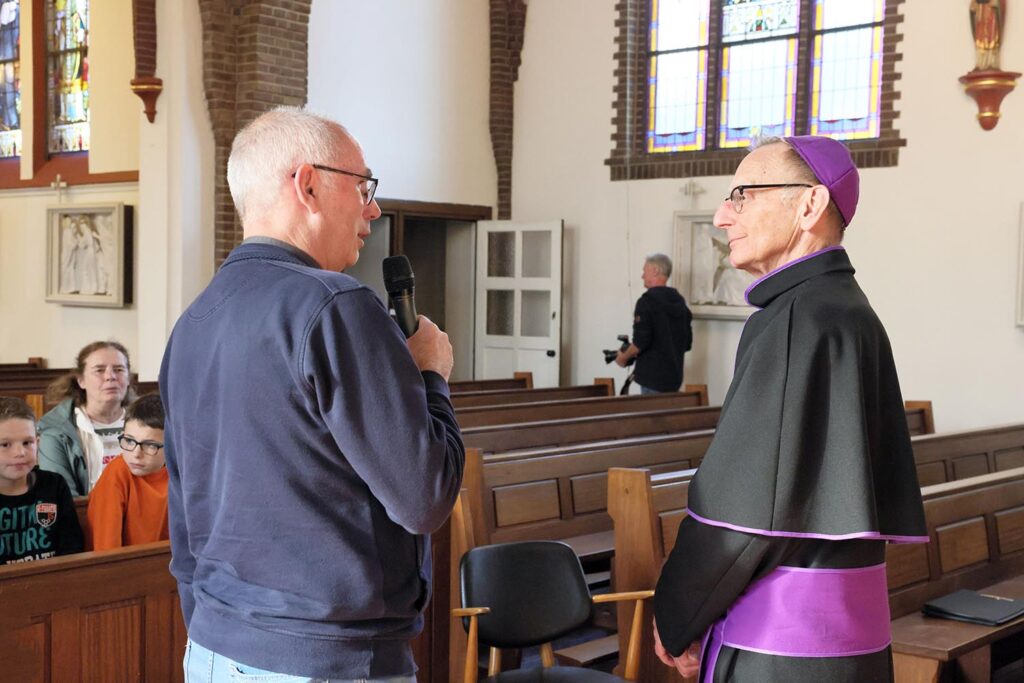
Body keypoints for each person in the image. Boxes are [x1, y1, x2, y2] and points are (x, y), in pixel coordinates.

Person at [160, 107, 465, 682]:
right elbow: (426, 497)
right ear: (306, 184)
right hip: (328, 657)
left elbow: (186, 518)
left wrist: (218, 634)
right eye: (363, 186)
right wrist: (431, 374)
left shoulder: (193, 323)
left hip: (214, 649)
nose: (373, 209)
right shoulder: (336, 305)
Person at [652, 136, 927, 682]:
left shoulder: (798, 319)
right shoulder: (847, 311)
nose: (721, 215)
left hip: (780, 648)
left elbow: (743, 512)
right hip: (848, 639)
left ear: (809, 205)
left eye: (742, 195)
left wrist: (678, 614)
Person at [38, 340, 134, 496]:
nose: (110, 376)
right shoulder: (55, 430)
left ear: (128, 378)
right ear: (81, 380)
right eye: (99, 370)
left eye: (119, 369)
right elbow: (62, 494)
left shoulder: (147, 423)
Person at [0, 396, 84, 564]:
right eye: (5, 445)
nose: (20, 453)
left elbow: (72, 547)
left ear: (38, 443)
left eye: (27, 442)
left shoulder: (54, 485)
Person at [87, 394, 167, 551]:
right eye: (129, 441)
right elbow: (106, 550)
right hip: (124, 568)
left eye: (150, 445)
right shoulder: (117, 474)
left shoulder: (182, 473)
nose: (136, 453)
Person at [616, 253, 693, 393]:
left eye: (644, 271)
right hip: (674, 379)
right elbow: (686, 344)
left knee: (651, 415)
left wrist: (623, 357)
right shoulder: (680, 303)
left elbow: (640, 342)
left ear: (655, 271)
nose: (642, 276)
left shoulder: (646, 302)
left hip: (651, 380)